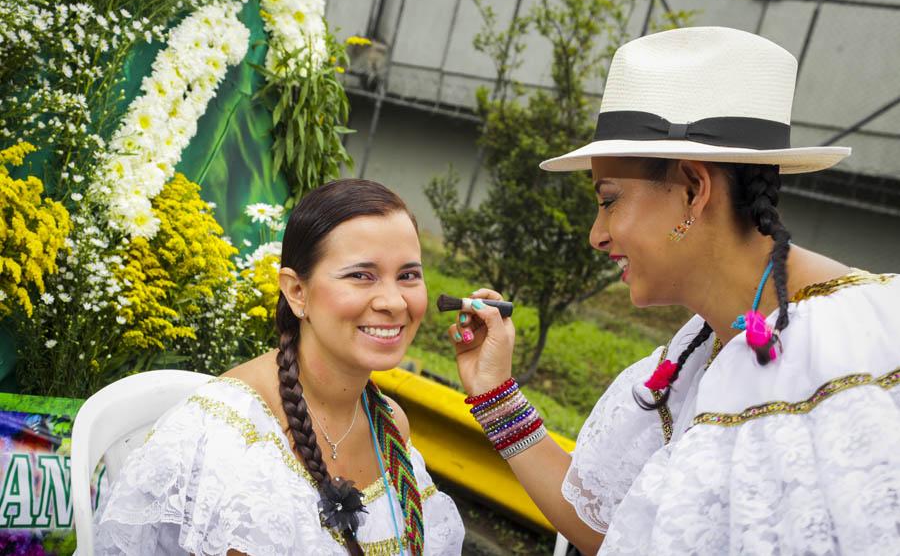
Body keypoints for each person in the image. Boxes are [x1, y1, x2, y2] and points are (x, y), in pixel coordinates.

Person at [446, 27, 900, 554]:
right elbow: (613, 530)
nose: (596, 235)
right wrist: (492, 392)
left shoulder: (859, 360)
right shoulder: (699, 347)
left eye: (609, 199)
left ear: (692, 189)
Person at [94, 179, 464, 555]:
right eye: (361, 275)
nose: (394, 301)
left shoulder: (389, 424)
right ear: (296, 291)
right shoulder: (233, 431)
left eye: (408, 275)